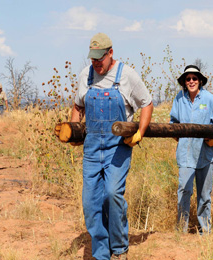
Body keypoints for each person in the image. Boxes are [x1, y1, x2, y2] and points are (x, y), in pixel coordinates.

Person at [70, 33, 153, 260]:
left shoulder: (126, 75)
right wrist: (74, 130)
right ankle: (100, 254)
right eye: (93, 58)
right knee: (90, 203)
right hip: (92, 149)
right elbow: (77, 106)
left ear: (111, 53)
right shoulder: (85, 76)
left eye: (100, 58)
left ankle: (118, 249)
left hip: (118, 147)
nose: (96, 63)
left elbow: (146, 103)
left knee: (112, 194)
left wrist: (140, 133)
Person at [169, 65, 213, 234]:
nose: (191, 81)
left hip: (205, 155)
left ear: (200, 81)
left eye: (194, 78)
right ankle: (181, 231)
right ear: (184, 82)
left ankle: (205, 232)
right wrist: (176, 134)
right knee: (184, 191)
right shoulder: (179, 99)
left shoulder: (209, 99)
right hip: (186, 155)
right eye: (188, 79)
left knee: (204, 196)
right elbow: (173, 121)